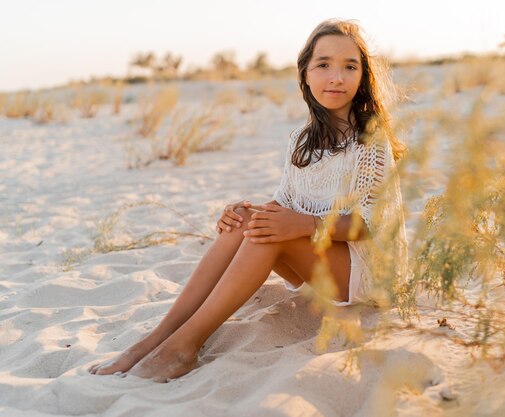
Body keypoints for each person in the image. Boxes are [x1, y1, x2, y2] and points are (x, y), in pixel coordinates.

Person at [89, 18, 408, 382]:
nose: (336, 76)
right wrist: (243, 212)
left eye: (349, 66)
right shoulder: (300, 140)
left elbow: (370, 225)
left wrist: (304, 224)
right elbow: (282, 205)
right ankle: (155, 339)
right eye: (323, 65)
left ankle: (182, 348)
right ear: (304, 74)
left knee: (267, 236)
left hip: (365, 272)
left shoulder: (370, 141)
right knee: (248, 223)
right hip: (319, 261)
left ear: (362, 77)